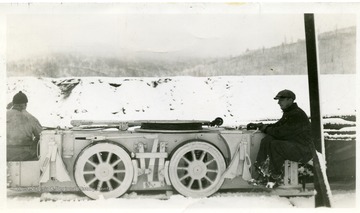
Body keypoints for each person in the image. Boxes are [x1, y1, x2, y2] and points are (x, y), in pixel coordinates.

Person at [248, 89, 313, 186]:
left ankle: (274, 177)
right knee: (267, 139)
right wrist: (261, 126)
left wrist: (264, 128)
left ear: (290, 100)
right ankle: (262, 171)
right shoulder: (289, 112)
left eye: (281, 100)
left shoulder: (296, 115)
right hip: (295, 146)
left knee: (275, 145)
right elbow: (277, 126)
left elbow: (281, 133)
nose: (278, 103)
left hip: (304, 150)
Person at [7, 91, 43, 161]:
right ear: (25, 104)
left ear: (13, 104)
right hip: (24, 154)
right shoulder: (30, 118)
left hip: (5, 153)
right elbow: (42, 135)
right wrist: (34, 143)